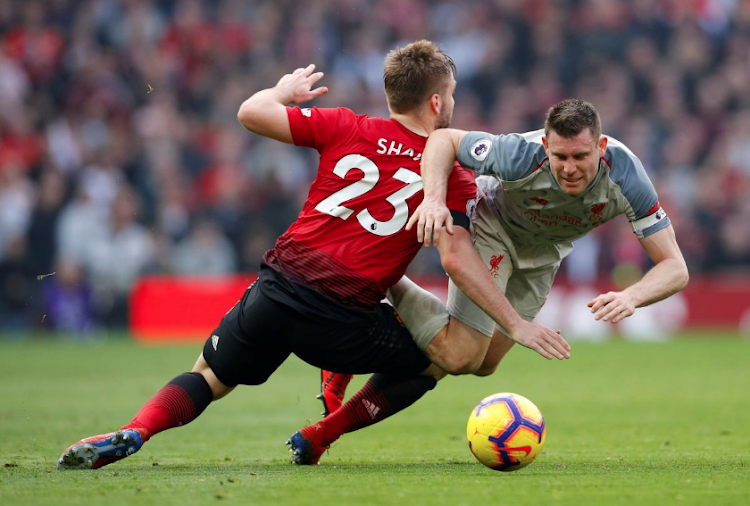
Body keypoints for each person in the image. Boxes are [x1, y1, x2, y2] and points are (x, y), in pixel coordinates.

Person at [56, 40, 509, 470]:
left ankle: (136, 430)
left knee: (210, 377)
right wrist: (515, 317)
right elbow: (457, 255)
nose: (452, 105)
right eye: (450, 95)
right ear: (435, 102)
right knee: (443, 356)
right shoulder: (453, 174)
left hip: (278, 286)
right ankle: (322, 432)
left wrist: (283, 92)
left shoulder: (345, 125)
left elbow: (250, 113)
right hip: (343, 319)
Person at [299, 98, 689, 464]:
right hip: (491, 228)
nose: (570, 168)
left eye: (581, 157)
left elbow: (675, 267)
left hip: (543, 256)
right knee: (459, 356)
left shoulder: (626, 176)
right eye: (560, 156)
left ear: (601, 146)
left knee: (482, 364)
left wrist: (634, 296)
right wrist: (434, 199)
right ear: (545, 145)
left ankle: (379, 311)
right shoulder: (519, 154)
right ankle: (327, 425)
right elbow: (443, 139)